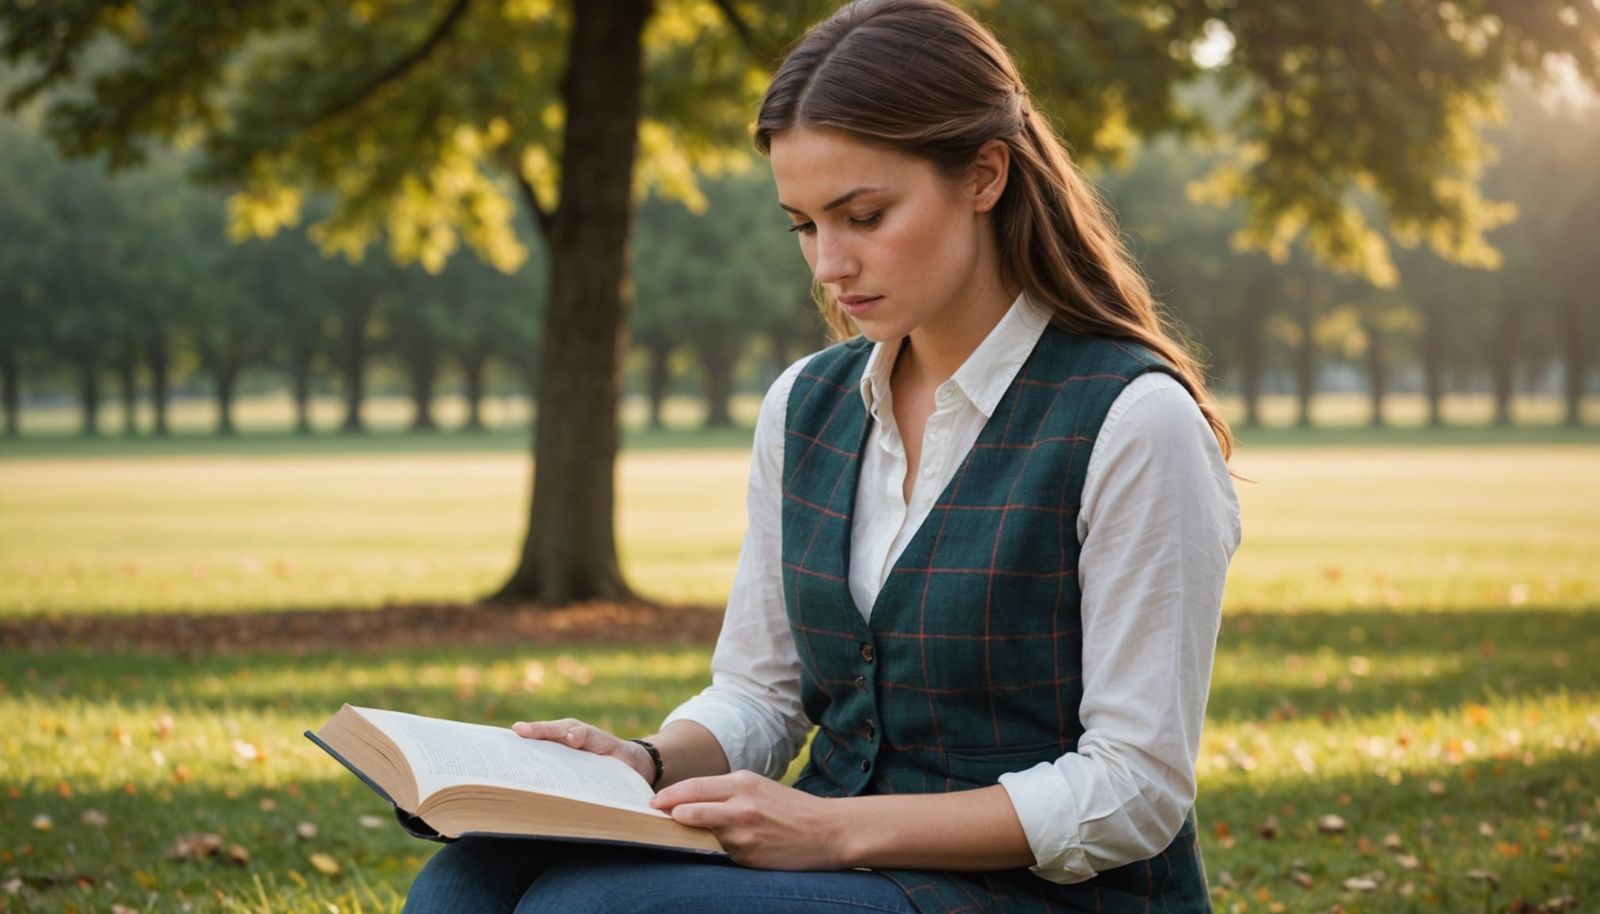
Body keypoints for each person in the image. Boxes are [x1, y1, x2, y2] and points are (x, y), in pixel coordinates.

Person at [402, 0, 1240, 911]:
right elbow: (760, 695)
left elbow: (1136, 789)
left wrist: (835, 830)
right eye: (803, 225)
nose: (829, 264)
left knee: (591, 908)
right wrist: (641, 762)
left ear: (985, 175)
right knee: (472, 879)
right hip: (840, 865)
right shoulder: (807, 404)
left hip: (1039, 896)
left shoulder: (1133, 421)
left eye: (865, 215)